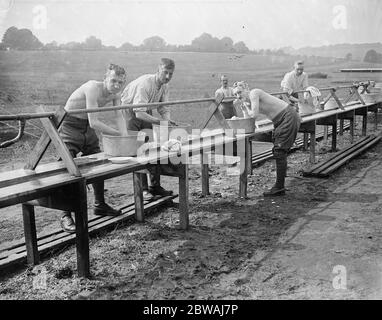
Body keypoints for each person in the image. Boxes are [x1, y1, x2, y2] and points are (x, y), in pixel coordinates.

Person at [58, 63, 127, 233]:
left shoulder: (116, 93)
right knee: (66, 167)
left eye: (120, 82)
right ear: (105, 78)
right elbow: (94, 121)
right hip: (69, 125)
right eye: (113, 81)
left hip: (87, 130)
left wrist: (126, 136)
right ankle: (65, 214)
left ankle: (100, 204)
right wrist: (118, 134)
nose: (117, 85)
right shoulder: (92, 88)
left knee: (99, 163)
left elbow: (119, 115)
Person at [120, 58, 176, 201]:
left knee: (153, 147)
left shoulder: (164, 86)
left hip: (145, 111)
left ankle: (155, 187)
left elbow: (164, 108)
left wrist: (167, 121)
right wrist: (160, 122)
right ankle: (143, 190)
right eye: (165, 73)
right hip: (130, 112)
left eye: (171, 73)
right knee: (139, 150)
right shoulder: (146, 83)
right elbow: (138, 113)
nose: (168, 77)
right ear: (158, 70)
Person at [233, 81, 301, 196]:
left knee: (279, 151)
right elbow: (249, 121)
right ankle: (280, 184)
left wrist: (246, 107)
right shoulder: (249, 101)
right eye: (235, 94)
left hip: (287, 116)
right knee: (279, 151)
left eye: (239, 92)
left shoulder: (254, 93)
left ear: (246, 89)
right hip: (280, 120)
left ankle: (279, 187)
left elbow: (253, 115)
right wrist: (244, 109)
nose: (238, 96)